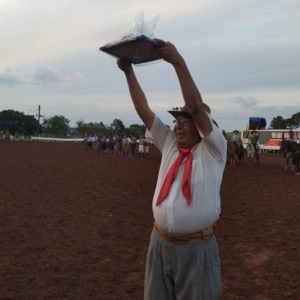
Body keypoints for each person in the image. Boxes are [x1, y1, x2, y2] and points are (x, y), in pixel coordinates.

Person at [117, 39, 227, 300]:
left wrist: (177, 62)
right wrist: (128, 72)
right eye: (176, 120)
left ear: (202, 127)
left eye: (185, 121)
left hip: (196, 249)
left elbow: (196, 107)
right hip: (159, 244)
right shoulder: (169, 145)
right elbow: (143, 110)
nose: (177, 125)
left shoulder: (213, 150)